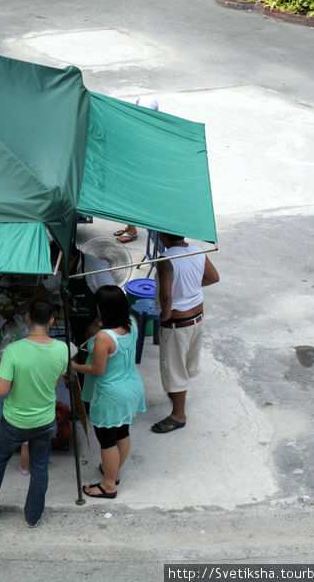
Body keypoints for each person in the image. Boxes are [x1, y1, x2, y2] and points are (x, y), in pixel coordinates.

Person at [0, 300, 68, 527]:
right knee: (39, 467)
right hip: (45, 419)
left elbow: (2, 390)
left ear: (28, 318)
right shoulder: (62, 349)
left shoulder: (13, 350)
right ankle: (33, 516)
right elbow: (57, 380)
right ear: (51, 321)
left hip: (15, 421)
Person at [70, 285, 145, 499]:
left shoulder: (104, 337)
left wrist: (74, 367)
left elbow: (97, 369)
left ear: (103, 309)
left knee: (106, 439)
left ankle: (109, 484)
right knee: (122, 431)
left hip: (111, 394)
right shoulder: (132, 323)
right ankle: (114, 471)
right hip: (131, 386)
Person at [151, 233, 219, 433]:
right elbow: (213, 277)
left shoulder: (166, 259)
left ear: (163, 235)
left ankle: (178, 415)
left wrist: (166, 314)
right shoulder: (197, 250)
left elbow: (165, 294)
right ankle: (178, 395)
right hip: (197, 317)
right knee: (185, 363)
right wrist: (190, 287)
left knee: (175, 368)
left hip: (178, 322)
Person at [18, 243, 115, 347]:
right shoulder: (63, 266)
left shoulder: (95, 267)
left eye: (58, 265)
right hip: (76, 322)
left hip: (97, 322)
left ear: (71, 259)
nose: (57, 269)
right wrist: (28, 304)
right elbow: (46, 287)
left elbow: (111, 298)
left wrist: (98, 323)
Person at [112, 97, 160, 245]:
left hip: (140, 168)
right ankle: (129, 226)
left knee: (130, 198)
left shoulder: (151, 126)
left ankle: (132, 231)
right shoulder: (137, 121)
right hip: (132, 165)